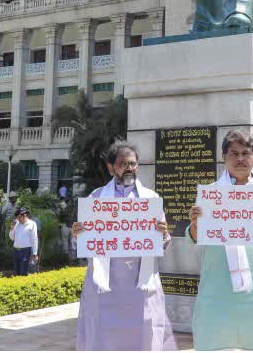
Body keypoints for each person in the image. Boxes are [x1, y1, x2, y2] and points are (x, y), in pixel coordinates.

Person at [188, 129, 253, 351]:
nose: (240, 159)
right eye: (233, 153)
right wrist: (197, 224)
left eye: (245, 153)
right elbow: (195, 238)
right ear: (224, 157)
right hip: (218, 293)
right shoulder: (211, 195)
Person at [71, 141, 176, 350]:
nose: (129, 168)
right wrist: (77, 235)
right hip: (105, 288)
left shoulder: (151, 199)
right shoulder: (96, 198)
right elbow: (81, 245)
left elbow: (163, 245)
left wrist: (163, 234)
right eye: (122, 164)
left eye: (133, 164)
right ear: (111, 168)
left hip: (140, 288)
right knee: (104, 339)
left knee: (144, 337)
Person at [8, 207, 39, 276]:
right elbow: (12, 238)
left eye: (19, 217)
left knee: (24, 272)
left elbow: (34, 239)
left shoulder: (32, 224)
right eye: (17, 218)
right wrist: (11, 229)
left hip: (26, 251)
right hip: (16, 250)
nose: (18, 219)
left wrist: (35, 253)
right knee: (16, 272)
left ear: (24, 215)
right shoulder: (16, 223)